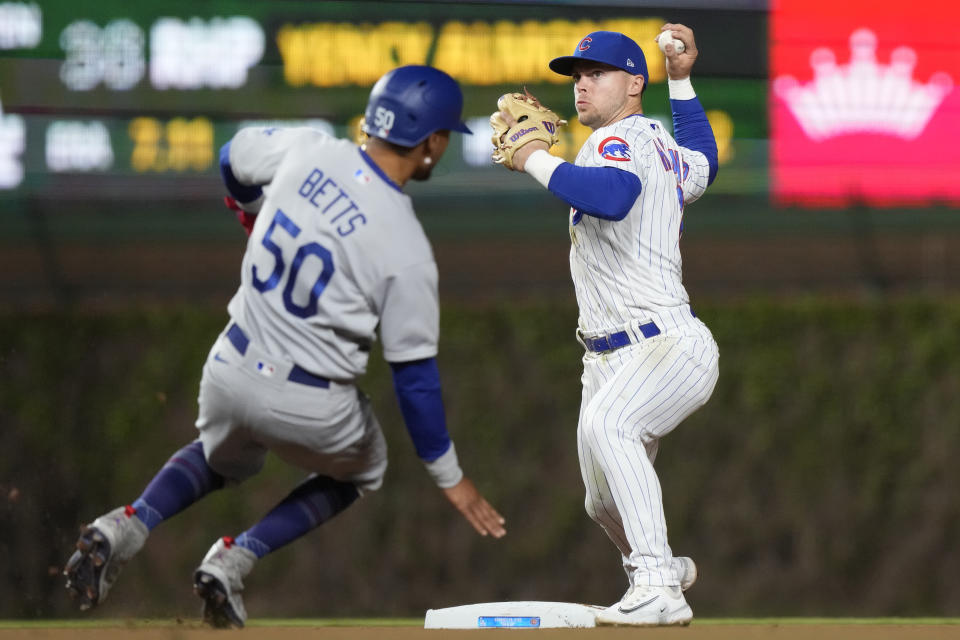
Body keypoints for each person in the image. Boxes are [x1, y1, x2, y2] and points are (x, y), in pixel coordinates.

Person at [63, 65, 506, 629]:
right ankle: (236, 557)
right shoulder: (407, 246)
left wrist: (248, 209)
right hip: (310, 405)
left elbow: (231, 158)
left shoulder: (308, 149)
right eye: (443, 140)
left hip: (229, 367)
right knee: (364, 469)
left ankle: (129, 520)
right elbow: (414, 378)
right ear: (432, 143)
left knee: (219, 453)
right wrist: (450, 477)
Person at [491, 26, 719, 626]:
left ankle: (655, 585)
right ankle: (663, 570)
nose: (583, 83)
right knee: (599, 500)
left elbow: (613, 196)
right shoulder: (659, 144)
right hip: (613, 355)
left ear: (632, 83)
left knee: (610, 425)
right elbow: (705, 164)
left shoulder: (622, 138)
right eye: (577, 74)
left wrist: (535, 157)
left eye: (598, 72)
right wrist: (684, 80)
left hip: (664, 341)